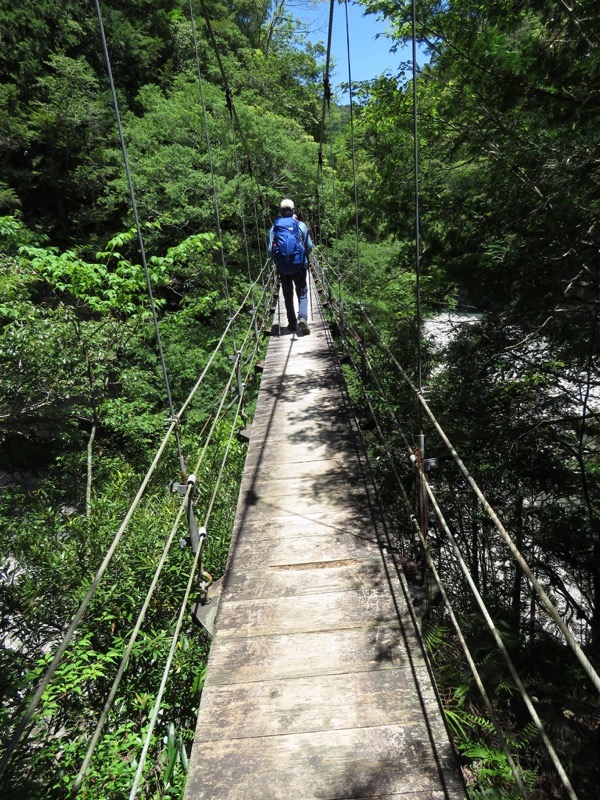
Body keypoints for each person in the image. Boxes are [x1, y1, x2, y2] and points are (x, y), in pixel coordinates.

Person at [268, 198, 313, 334]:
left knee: (287, 295)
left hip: (283, 268)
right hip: (299, 266)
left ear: (281, 212)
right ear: (293, 211)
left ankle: (292, 323)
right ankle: (303, 318)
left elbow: (270, 249)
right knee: (302, 292)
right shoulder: (301, 226)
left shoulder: (274, 227)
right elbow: (309, 247)